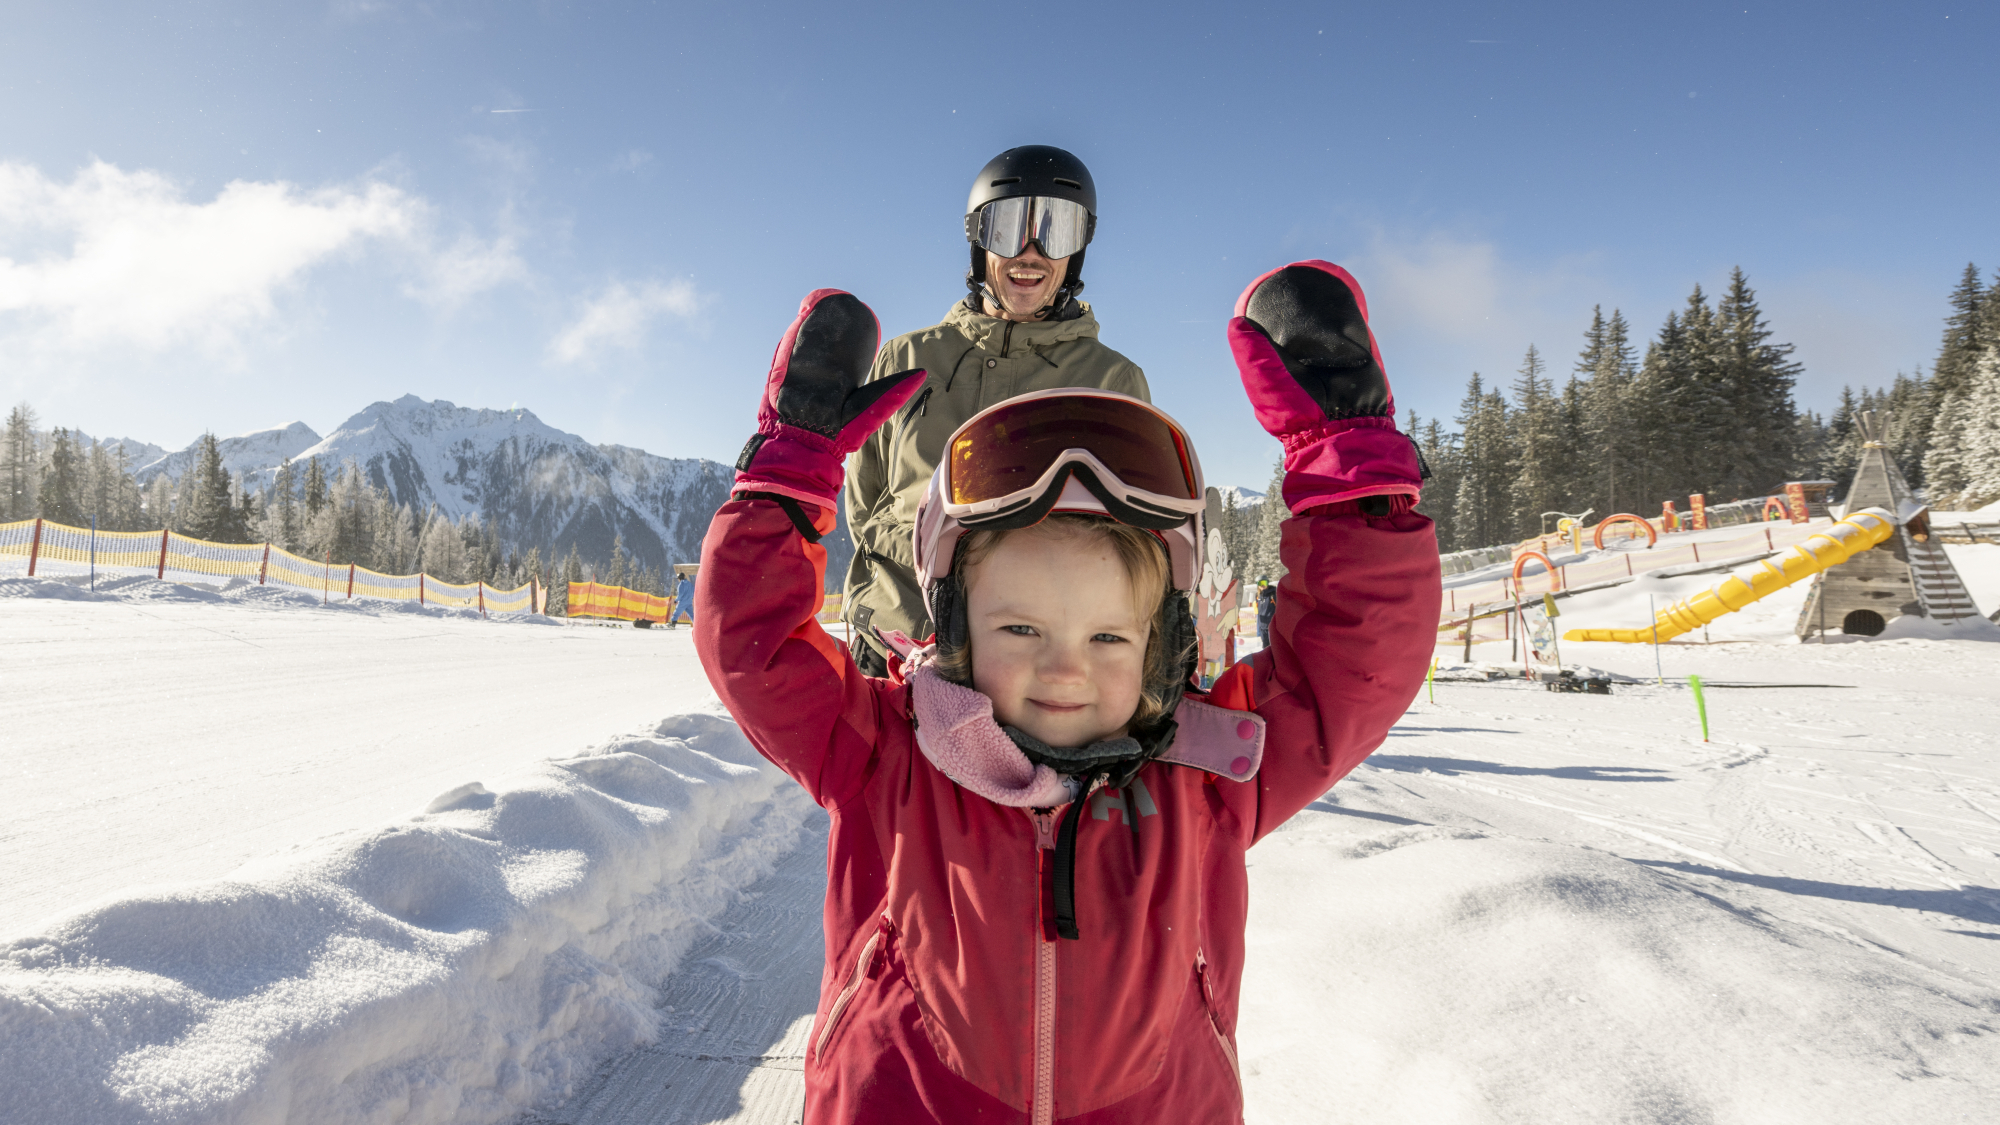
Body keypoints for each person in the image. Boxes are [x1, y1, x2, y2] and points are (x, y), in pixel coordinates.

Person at [700, 267, 1437, 1123]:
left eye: (1109, 637)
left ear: (1160, 644)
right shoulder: (886, 751)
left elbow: (1353, 663)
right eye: (1021, 630)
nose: (1065, 669)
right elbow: (751, 644)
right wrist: (785, 480)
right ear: (958, 627)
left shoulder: (1206, 777)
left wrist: (1348, 472)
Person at [839, 145, 1149, 677]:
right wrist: (925, 563)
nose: (1030, 252)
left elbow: (1130, 540)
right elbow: (867, 500)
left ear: (1077, 252)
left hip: (1024, 666)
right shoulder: (908, 359)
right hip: (895, 638)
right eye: (1008, 228)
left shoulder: (1111, 381)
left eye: (1056, 230)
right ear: (979, 241)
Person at [1254, 576, 1276, 651]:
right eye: (1260, 583)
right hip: (1262, 626)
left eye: (1264, 582)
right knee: (1265, 648)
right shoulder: (1258, 596)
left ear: (1268, 583)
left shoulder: (1273, 594)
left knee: (1274, 648)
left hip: (1272, 626)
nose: (1262, 585)